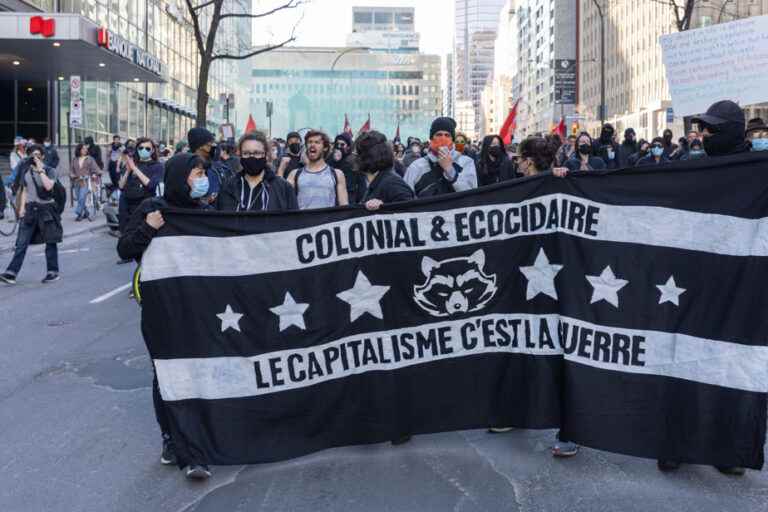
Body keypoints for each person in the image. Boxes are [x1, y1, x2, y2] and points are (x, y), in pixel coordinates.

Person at [657, 99, 749, 477]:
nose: (704, 135)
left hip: (742, 287)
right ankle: (676, 444)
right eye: (702, 128)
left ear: (733, 131)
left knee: (732, 370)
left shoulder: (758, 170)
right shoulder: (691, 166)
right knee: (684, 365)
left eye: (712, 130)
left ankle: (727, 448)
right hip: (691, 283)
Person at [117, 152, 213, 481]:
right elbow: (125, 249)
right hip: (161, 308)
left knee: (199, 370)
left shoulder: (205, 212)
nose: (201, 178)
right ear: (178, 176)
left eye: (203, 173)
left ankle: (198, 435)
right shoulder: (152, 209)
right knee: (166, 373)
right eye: (196, 173)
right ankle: (171, 438)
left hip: (199, 308)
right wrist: (148, 227)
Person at [0, 144, 61, 285]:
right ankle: (11, 273)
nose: (35, 157)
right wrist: (21, 209)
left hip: (46, 210)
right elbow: (25, 190)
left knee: (50, 242)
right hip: (30, 210)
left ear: (43, 156)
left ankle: (53, 272)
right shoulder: (26, 171)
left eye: (38, 155)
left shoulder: (50, 170)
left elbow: (49, 186)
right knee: (21, 243)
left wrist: (40, 170)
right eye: (32, 155)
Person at [217, 131, 298, 212]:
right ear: (240, 155)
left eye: (257, 153)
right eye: (246, 153)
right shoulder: (228, 187)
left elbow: (293, 221)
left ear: (266, 155)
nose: (251, 157)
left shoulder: (283, 188)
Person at [404, 117, 478, 197]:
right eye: (439, 134)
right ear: (432, 138)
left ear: (452, 139)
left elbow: (471, 195)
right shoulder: (417, 166)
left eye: (447, 135)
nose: (443, 138)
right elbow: (406, 196)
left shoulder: (466, 162)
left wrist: (450, 171)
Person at [286, 130, 349, 209]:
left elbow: (344, 206)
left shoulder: (337, 174)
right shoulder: (294, 174)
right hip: (302, 220)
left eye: (317, 142)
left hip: (328, 221)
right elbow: (283, 200)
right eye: (309, 142)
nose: (312, 145)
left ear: (325, 148)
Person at [355, 131, 414, 211]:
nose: (354, 158)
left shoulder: (393, 184)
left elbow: (410, 214)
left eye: (357, 153)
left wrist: (385, 207)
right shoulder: (378, 181)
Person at [118, 137, 164, 235]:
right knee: (125, 234)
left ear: (152, 151)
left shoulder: (157, 166)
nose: (143, 150)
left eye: (147, 148)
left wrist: (134, 168)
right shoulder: (132, 163)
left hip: (143, 205)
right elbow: (121, 186)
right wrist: (128, 171)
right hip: (126, 204)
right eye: (141, 148)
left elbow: (150, 184)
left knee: (140, 235)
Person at [328, 132, 366, 203]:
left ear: (348, 146)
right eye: (337, 144)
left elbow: (361, 184)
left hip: (349, 198)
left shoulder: (354, 160)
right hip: (332, 198)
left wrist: (359, 201)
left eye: (342, 144)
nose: (339, 147)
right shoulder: (330, 158)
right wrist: (335, 161)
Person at [70, 143, 101, 221]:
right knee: (79, 198)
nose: (85, 150)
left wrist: (95, 174)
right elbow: (71, 170)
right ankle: (86, 212)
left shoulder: (90, 159)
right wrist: (72, 175)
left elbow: (96, 169)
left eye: (86, 149)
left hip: (85, 180)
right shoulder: (74, 159)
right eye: (83, 149)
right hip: (77, 181)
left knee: (81, 197)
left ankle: (78, 213)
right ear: (79, 150)